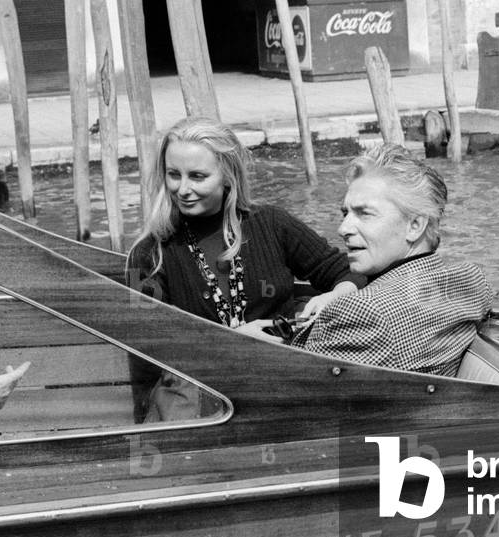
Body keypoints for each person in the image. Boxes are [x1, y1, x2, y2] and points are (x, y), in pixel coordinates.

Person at [126, 118, 362, 418]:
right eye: (174, 175)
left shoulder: (272, 224)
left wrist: (334, 295)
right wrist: (235, 343)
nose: (183, 189)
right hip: (205, 404)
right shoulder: (148, 254)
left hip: (284, 388)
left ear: (228, 176)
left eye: (197, 176)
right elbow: (148, 348)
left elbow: (350, 271)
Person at [274, 143, 489, 376]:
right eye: (345, 213)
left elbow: (295, 389)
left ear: (415, 226)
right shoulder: (470, 281)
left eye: (364, 213)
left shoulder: (360, 311)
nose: (343, 228)